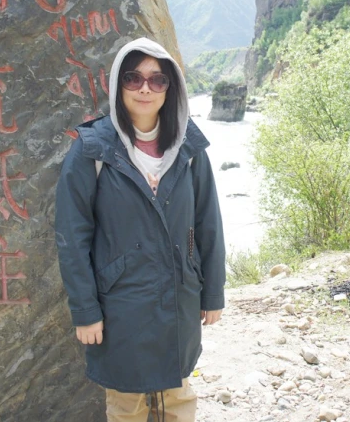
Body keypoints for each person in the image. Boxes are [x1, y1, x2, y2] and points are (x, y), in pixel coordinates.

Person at [54, 37, 226, 422]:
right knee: (126, 403)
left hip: (178, 295)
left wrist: (212, 293)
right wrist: (85, 311)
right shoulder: (92, 149)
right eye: (133, 78)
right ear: (119, 85)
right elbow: (71, 236)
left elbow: (208, 223)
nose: (145, 88)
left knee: (178, 396)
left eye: (157, 79)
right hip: (119, 304)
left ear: (172, 87)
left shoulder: (188, 146)